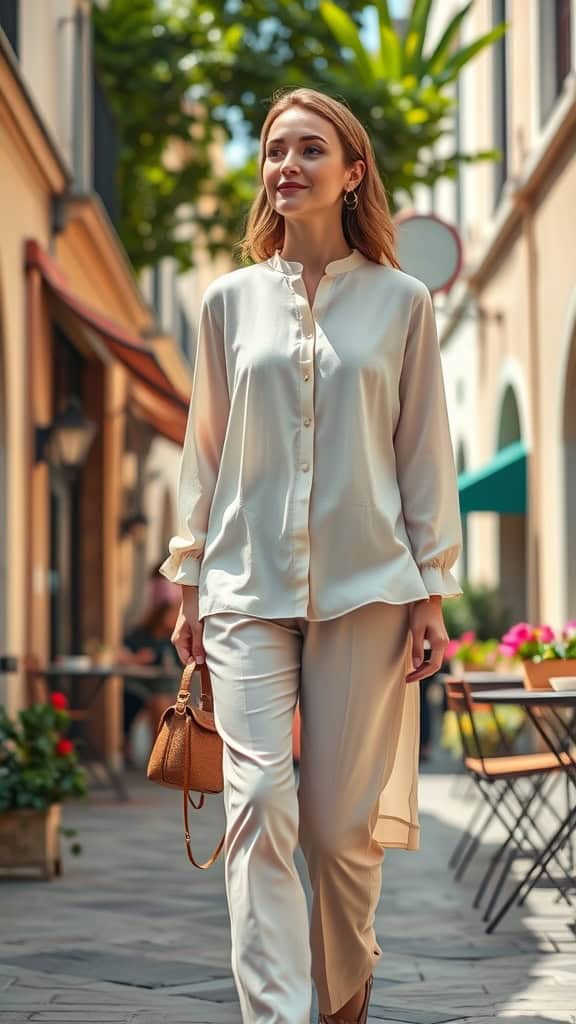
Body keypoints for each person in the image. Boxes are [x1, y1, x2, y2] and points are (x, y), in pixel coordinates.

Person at [160, 87, 463, 1024]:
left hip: (370, 589)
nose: (285, 164)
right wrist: (186, 579)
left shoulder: (403, 303)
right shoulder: (227, 303)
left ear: (352, 170)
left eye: (308, 148)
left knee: (336, 835)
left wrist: (433, 591)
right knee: (259, 812)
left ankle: (342, 992)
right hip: (244, 589)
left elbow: (424, 453)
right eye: (273, 150)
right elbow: (203, 449)